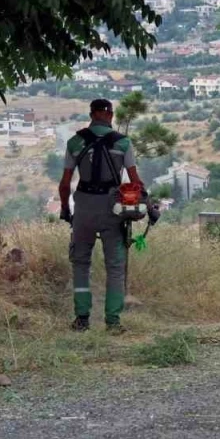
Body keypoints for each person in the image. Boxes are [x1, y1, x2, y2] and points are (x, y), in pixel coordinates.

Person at [58, 99, 143, 332]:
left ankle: (82, 319)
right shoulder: (123, 143)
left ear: (91, 115)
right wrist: (147, 204)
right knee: (115, 266)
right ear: (111, 116)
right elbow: (135, 181)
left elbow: (65, 183)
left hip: (84, 207)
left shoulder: (75, 142)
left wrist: (65, 208)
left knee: (80, 263)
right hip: (112, 208)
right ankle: (113, 322)